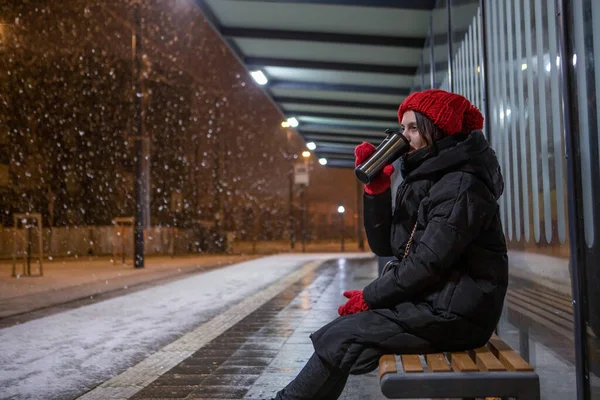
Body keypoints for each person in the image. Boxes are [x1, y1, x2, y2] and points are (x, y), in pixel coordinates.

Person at [267, 89, 508, 400]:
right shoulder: (429, 176)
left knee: (345, 336)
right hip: (438, 302)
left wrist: (370, 297)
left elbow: (425, 263)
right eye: (402, 127)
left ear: (439, 130)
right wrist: (376, 191)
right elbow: (389, 246)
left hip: (459, 314)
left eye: (413, 128)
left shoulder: (461, 184)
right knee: (344, 334)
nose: (404, 136)